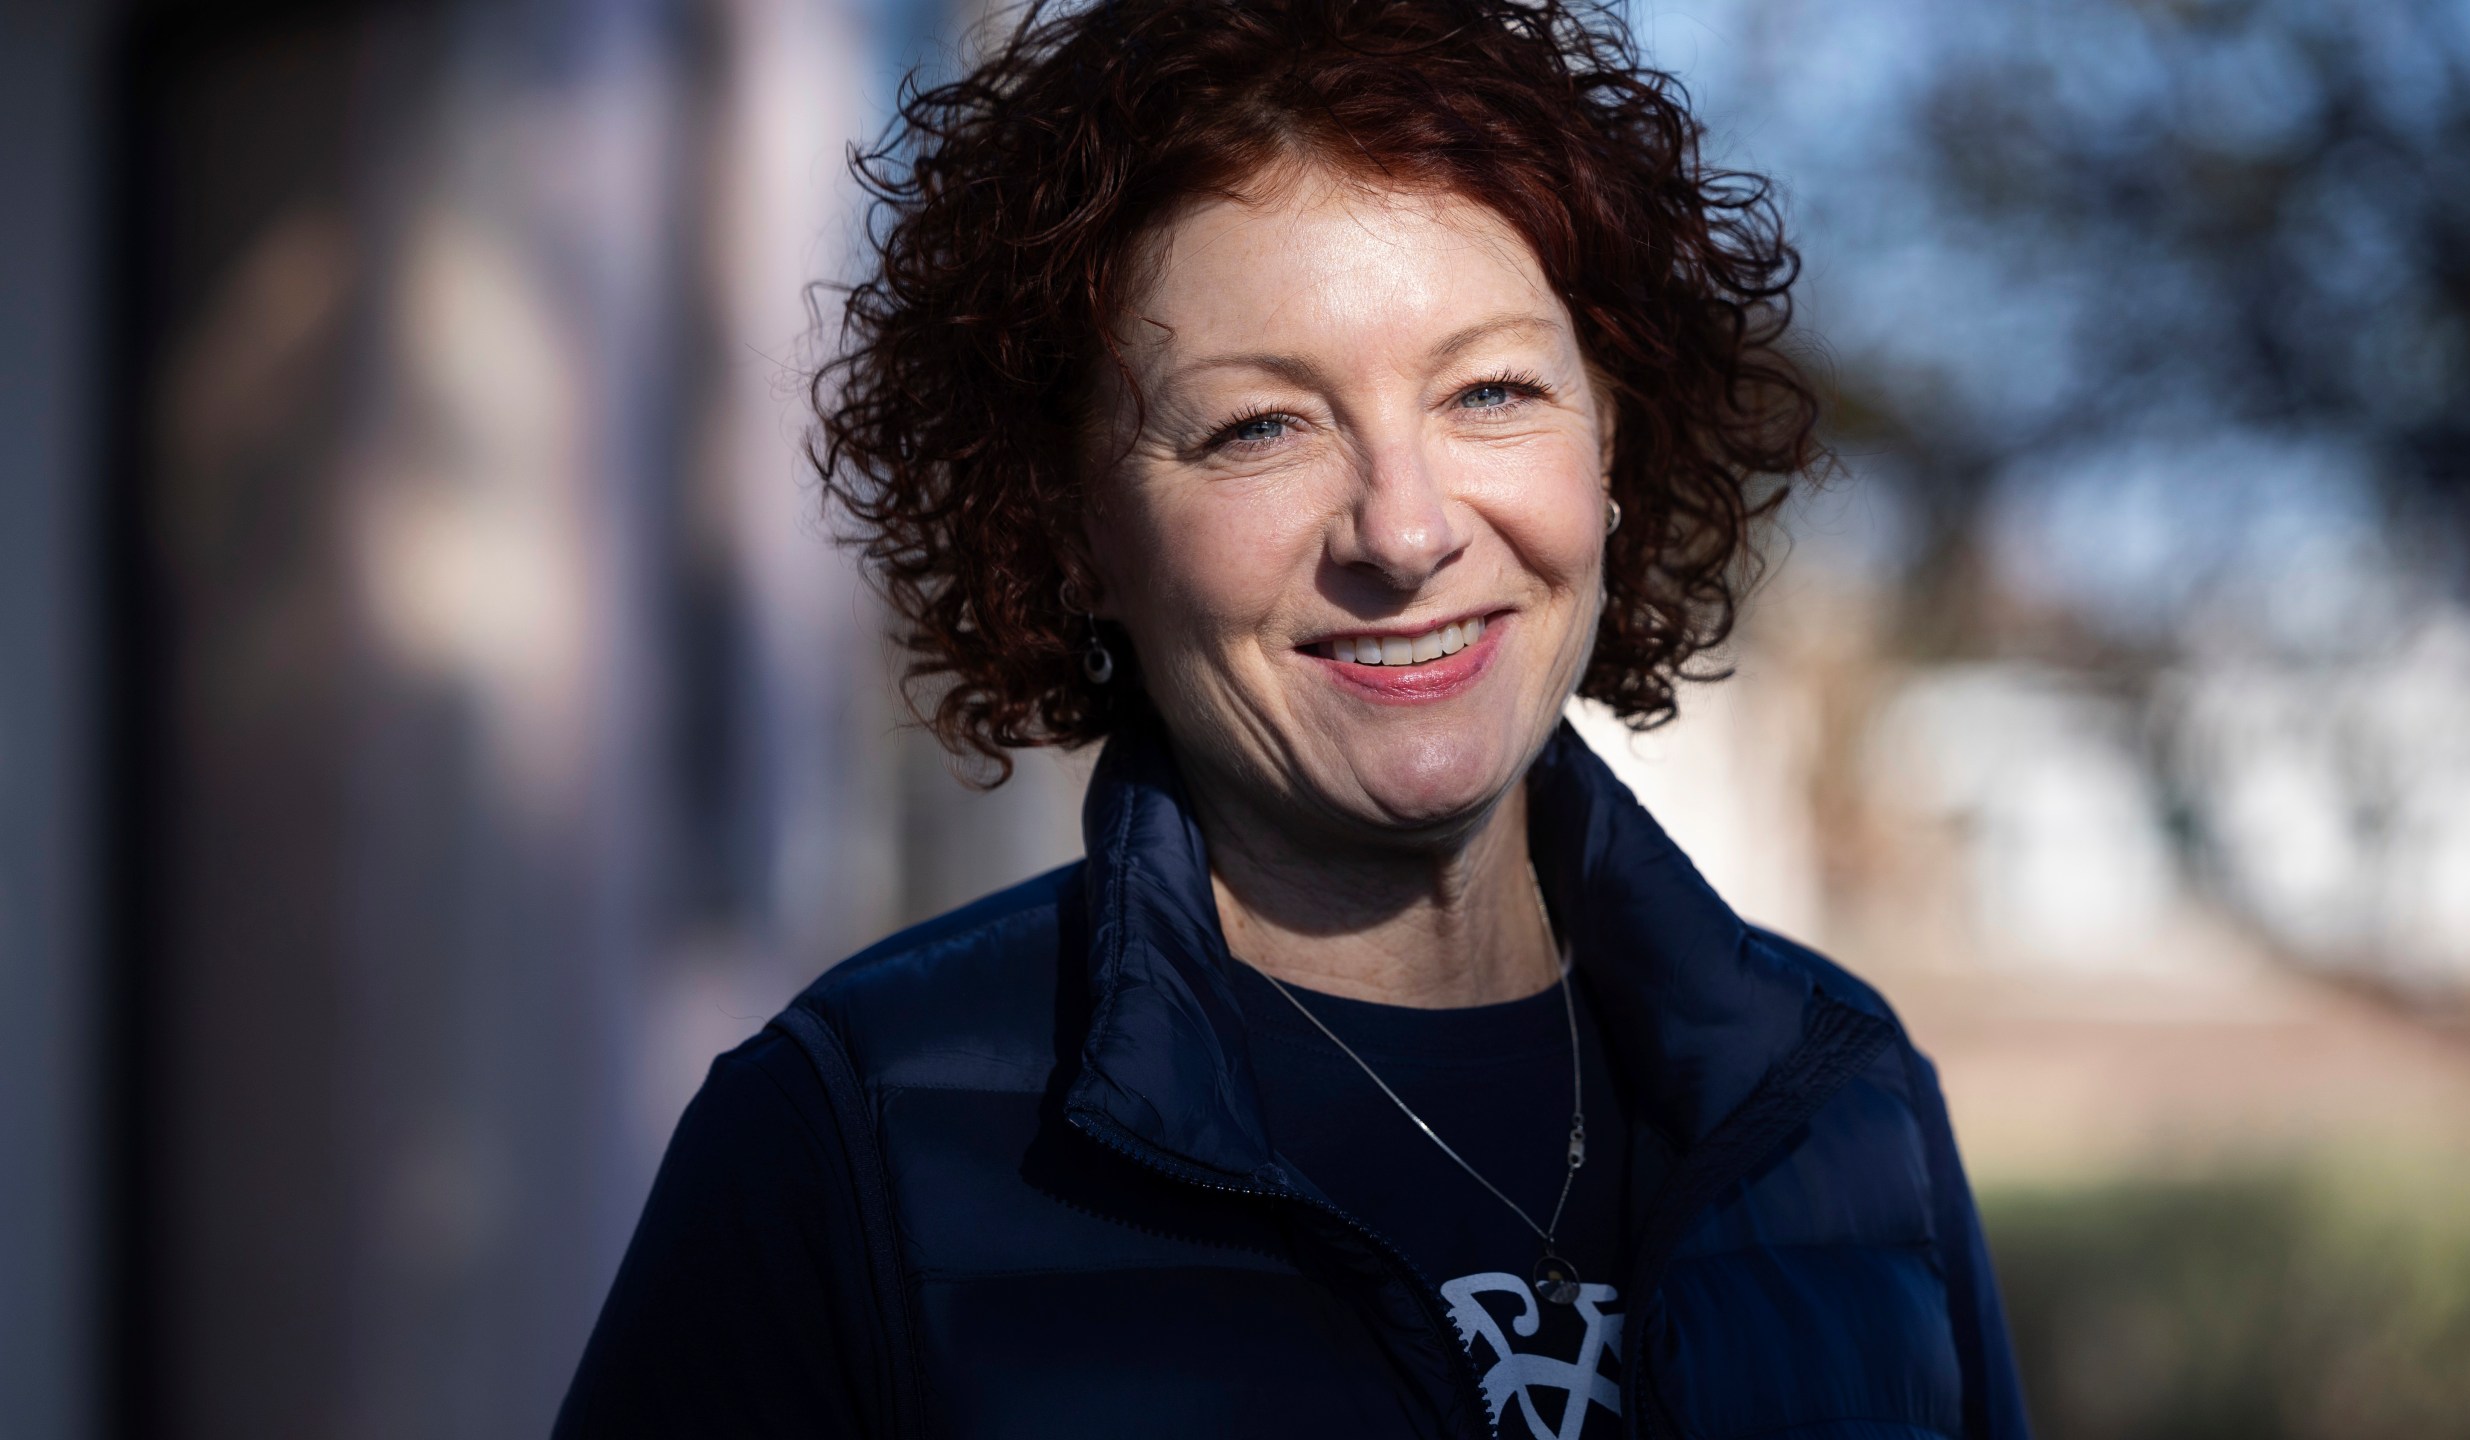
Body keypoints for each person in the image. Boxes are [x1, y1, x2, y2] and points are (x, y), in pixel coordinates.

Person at [557, 0, 2030, 1435]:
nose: (1404, 531)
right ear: (1071, 531)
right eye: (1261, 426)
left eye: (1493, 391)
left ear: (1614, 442)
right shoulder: (846, 1141)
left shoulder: (1839, 1095)